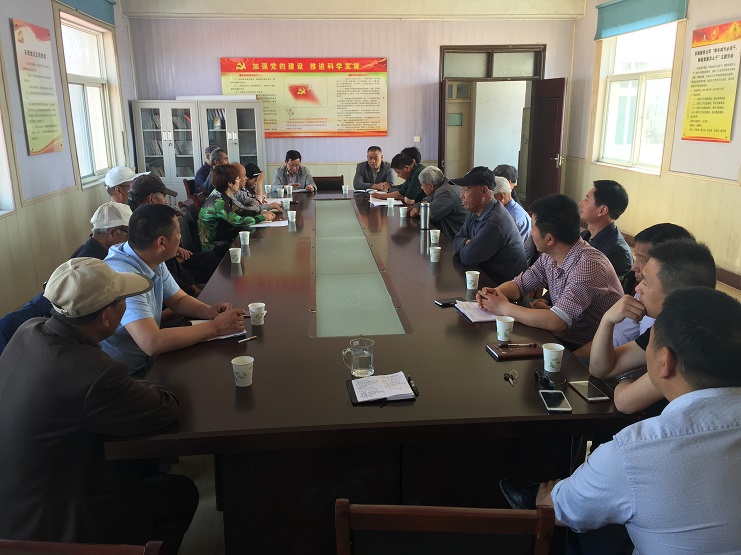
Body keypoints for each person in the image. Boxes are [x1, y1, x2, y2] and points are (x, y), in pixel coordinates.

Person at [0, 258, 197, 553]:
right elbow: (166, 407)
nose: (126, 306)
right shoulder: (94, 373)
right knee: (180, 493)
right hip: (55, 525)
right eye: (123, 301)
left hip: (13, 508)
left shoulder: (29, 330)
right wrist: (142, 384)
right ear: (106, 317)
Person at [531, 288, 741, 555]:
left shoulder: (633, 451)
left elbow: (558, 510)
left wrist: (545, 498)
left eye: (649, 344)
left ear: (664, 361)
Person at [102, 203, 246, 377]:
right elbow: (152, 342)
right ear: (161, 242)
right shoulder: (124, 276)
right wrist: (215, 327)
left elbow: (178, 300)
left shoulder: (149, 256)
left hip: (153, 359)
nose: (180, 237)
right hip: (131, 373)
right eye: (178, 233)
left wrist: (209, 312)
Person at [477, 194, 623, 349]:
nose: (531, 233)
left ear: (549, 239)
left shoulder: (589, 265)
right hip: (560, 339)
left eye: (533, 228)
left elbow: (557, 322)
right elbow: (520, 285)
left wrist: (504, 307)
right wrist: (494, 294)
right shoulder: (551, 255)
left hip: (588, 350)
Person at [588, 239, 716, 414]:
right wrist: (607, 320)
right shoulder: (670, 323)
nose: (638, 289)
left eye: (646, 282)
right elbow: (600, 369)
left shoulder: (692, 338)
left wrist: (626, 380)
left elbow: (625, 402)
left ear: (676, 295)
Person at [573, 223, 695, 356]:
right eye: (636, 257)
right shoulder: (643, 291)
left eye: (642, 260)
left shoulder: (681, 327)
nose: (633, 267)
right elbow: (617, 340)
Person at [128, 173, 209, 295]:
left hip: (169, 263)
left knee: (207, 259)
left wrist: (175, 248)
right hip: (160, 272)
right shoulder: (138, 222)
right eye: (164, 196)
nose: (166, 201)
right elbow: (157, 259)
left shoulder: (149, 215)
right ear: (152, 198)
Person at [451, 166, 528, 284]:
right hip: (484, 277)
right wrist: (466, 243)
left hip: (501, 287)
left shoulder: (496, 222)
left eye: (466, 190)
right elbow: (456, 240)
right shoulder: (476, 211)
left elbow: (468, 257)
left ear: (484, 191)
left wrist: (466, 245)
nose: (461, 195)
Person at [198, 164, 266, 251]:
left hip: (225, 240)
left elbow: (241, 211)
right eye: (238, 179)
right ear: (230, 183)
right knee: (258, 246)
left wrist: (260, 212)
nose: (240, 181)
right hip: (213, 248)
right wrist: (262, 217)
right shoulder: (218, 202)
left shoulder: (221, 194)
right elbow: (239, 221)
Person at [578, 180, 633, 278]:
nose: (580, 203)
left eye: (586, 200)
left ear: (602, 210)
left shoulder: (617, 252)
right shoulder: (585, 235)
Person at [409, 166, 466, 240]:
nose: (421, 188)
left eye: (421, 185)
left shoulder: (446, 193)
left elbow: (428, 215)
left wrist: (419, 209)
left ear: (431, 186)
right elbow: (424, 201)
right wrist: (417, 207)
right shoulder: (441, 186)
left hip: (452, 240)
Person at [492, 175, 535, 261]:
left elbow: (509, 252)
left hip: (513, 264)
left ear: (501, 196)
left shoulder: (514, 218)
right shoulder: (504, 211)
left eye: (490, 198)